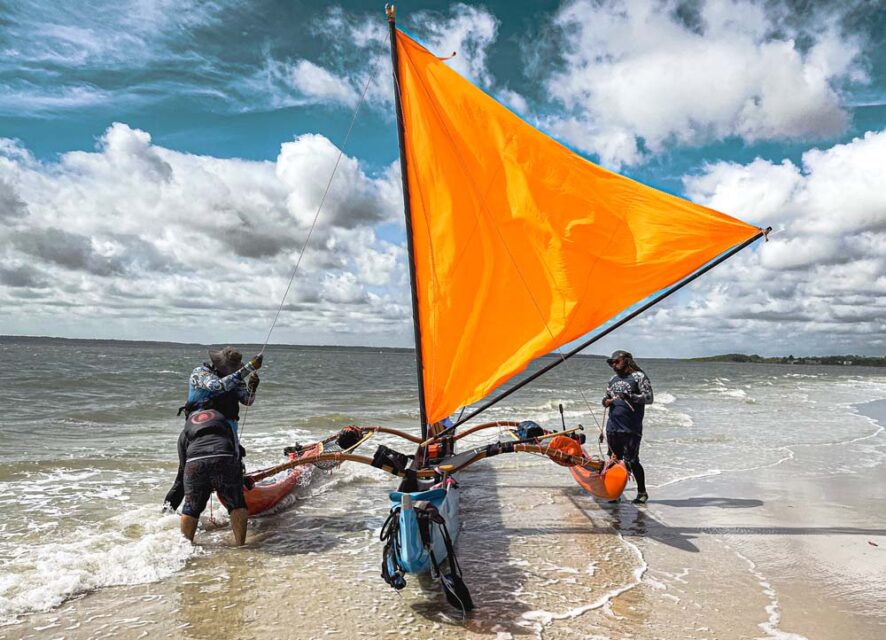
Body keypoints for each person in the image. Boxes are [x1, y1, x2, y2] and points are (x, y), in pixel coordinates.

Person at [163, 347, 263, 545]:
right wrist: (249, 368)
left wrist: (252, 386)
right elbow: (216, 386)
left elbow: (247, 400)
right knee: (183, 479)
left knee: (231, 476)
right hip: (195, 435)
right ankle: (164, 518)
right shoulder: (200, 373)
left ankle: (231, 525)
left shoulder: (235, 379)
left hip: (226, 438)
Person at [600, 350, 653, 504]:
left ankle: (642, 492)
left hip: (631, 427)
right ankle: (614, 492)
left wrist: (631, 397)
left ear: (626, 360)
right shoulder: (613, 379)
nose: (613, 365)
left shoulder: (638, 377)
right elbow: (606, 399)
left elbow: (649, 398)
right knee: (614, 460)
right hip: (613, 426)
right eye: (611, 363)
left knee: (632, 461)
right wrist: (606, 402)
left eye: (616, 361)